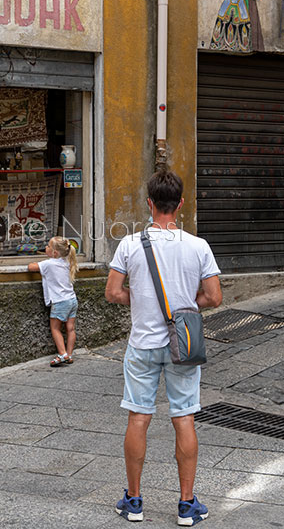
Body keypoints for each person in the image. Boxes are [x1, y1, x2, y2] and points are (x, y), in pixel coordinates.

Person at [104, 169, 222, 525]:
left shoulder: (129, 244)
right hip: (182, 345)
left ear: (150, 204)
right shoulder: (198, 246)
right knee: (184, 417)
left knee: (138, 417)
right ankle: (187, 506)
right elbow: (214, 297)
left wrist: (140, 301)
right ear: (181, 204)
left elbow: (112, 292)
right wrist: (187, 305)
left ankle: (134, 501)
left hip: (142, 343)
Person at [27, 236, 78, 367]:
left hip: (60, 301)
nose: (46, 248)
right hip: (72, 300)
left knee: (55, 328)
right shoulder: (67, 262)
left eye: (48, 246)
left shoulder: (48, 264)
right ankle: (69, 354)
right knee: (70, 329)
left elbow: (31, 267)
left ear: (54, 252)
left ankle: (62, 354)